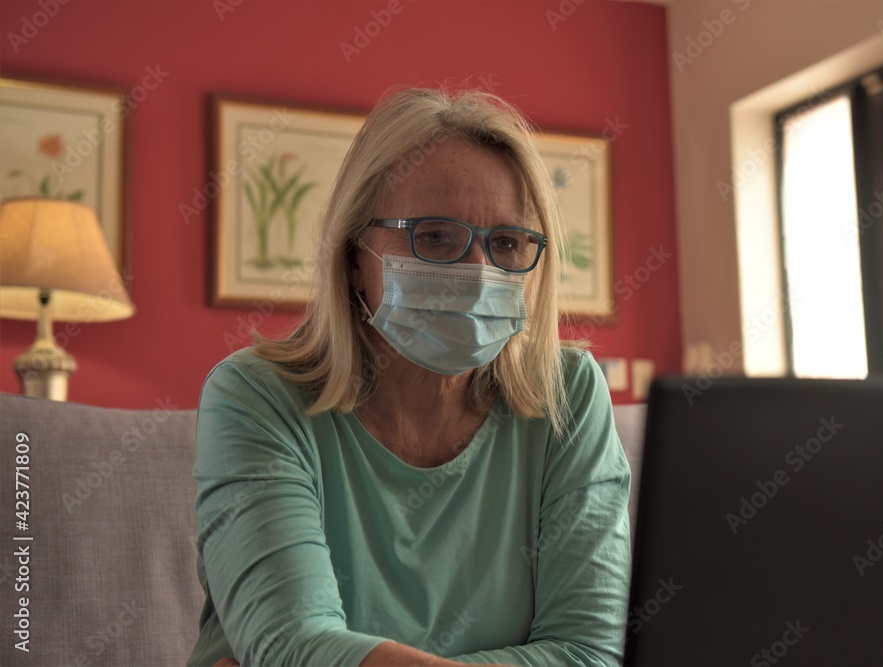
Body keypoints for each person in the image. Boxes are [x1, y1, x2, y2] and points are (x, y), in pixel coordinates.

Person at [188, 87, 631, 667]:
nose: (477, 273)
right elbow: (290, 646)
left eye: (505, 242)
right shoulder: (255, 397)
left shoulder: (568, 393)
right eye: (435, 237)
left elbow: (592, 652)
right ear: (353, 257)